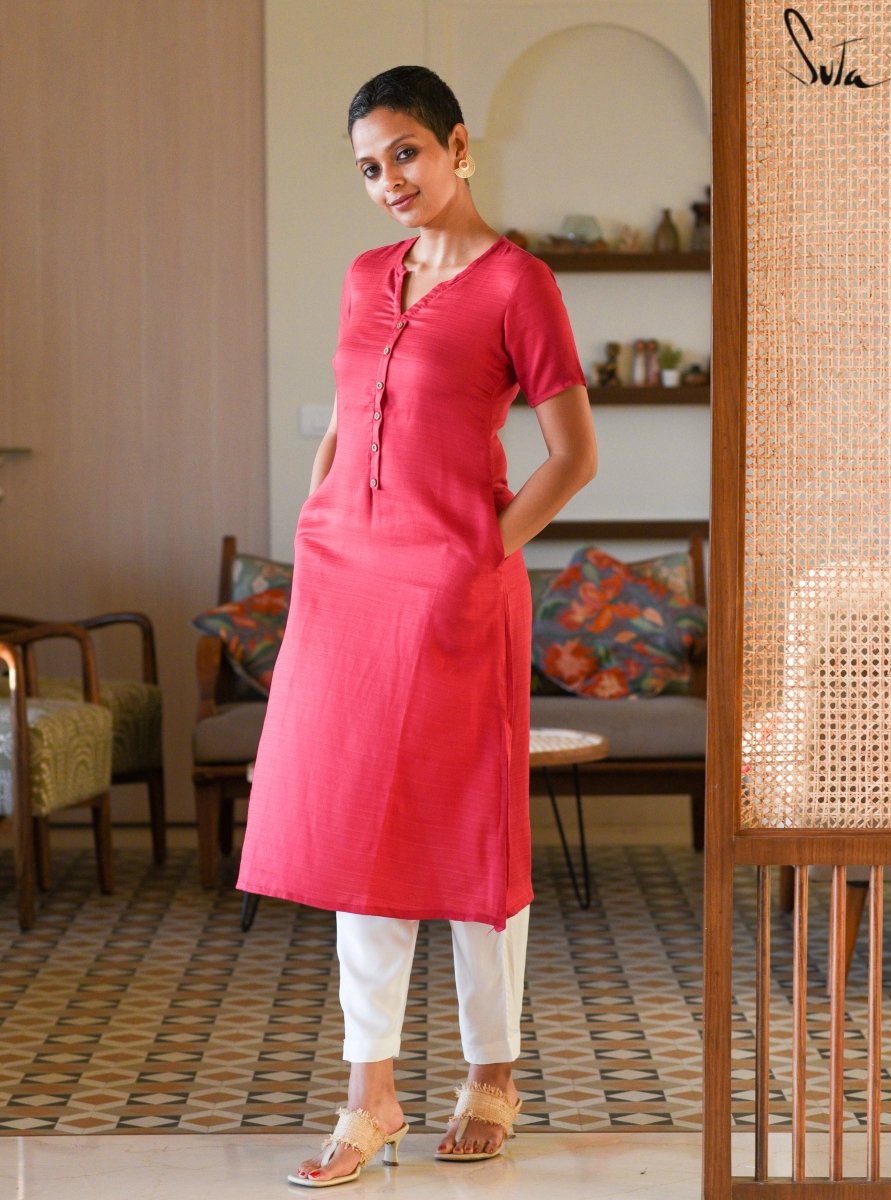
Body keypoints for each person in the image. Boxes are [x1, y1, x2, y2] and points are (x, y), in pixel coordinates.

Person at [236, 64, 597, 1188]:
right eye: (368, 166)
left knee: (471, 831)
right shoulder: (363, 278)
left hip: (455, 592)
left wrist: (481, 553)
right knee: (359, 836)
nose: (388, 179)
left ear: (457, 147)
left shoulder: (520, 284)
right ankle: (371, 1095)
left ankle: (493, 1075)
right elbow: (348, 421)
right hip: (348, 588)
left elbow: (574, 456)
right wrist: (317, 525)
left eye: (405, 153)